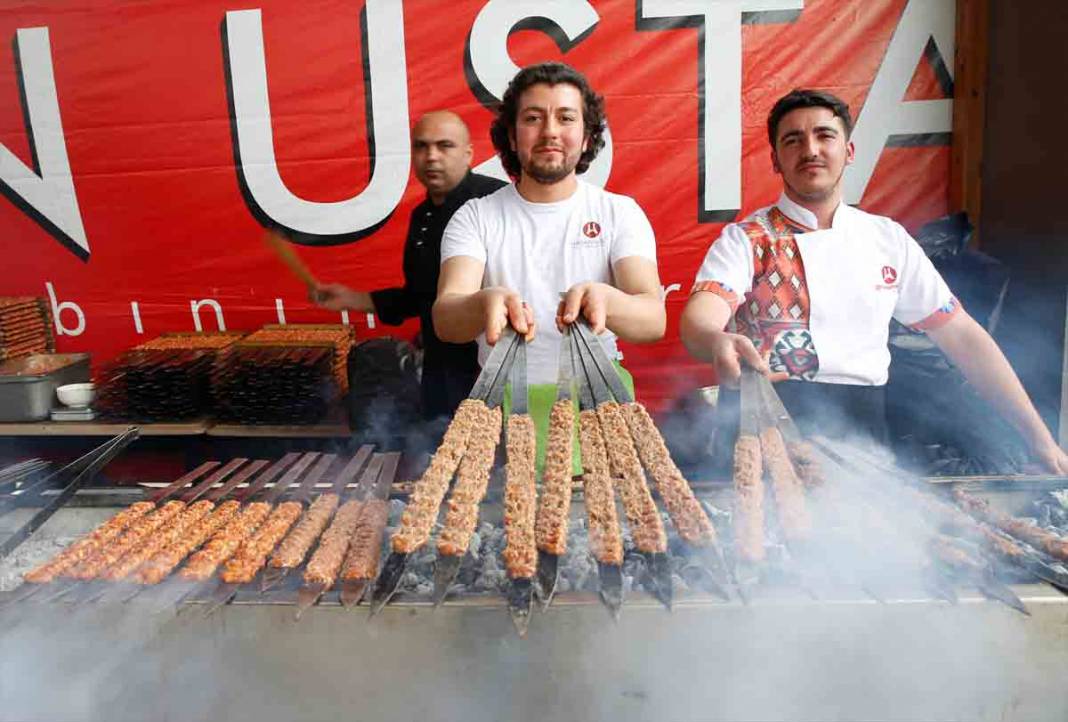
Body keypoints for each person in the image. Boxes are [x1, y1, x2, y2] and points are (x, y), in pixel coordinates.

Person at [679, 88, 1068, 473]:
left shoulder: (887, 239)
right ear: (776, 161)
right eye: (793, 140)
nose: (810, 149)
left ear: (848, 152)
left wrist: (1040, 440)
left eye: (824, 136)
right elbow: (701, 317)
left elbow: (964, 337)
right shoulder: (747, 238)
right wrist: (717, 339)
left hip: (862, 435)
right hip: (762, 427)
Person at [433, 62, 666, 467]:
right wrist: (483, 302)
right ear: (511, 134)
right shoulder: (476, 217)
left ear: (588, 134)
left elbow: (652, 319)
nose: (550, 131)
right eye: (533, 118)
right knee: (508, 522)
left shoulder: (618, 213)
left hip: (600, 405)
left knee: (602, 524)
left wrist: (606, 298)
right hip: (502, 408)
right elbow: (447, 317)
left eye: (565, 117)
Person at [313, 111, 506, 420]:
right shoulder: (422, 216)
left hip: (493, 371)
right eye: (421, 146)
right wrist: (353, 299)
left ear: (468, 153)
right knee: (438, 455)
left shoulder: (497, 201)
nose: (431, 157)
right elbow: (420, 295)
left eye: (445, 146)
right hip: (439, 371)